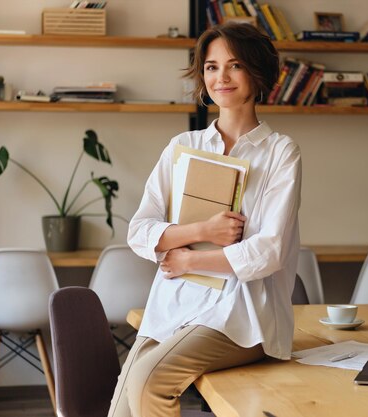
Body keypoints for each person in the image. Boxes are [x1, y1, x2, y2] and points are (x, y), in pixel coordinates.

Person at [108, 22, 302, 417]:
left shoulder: (281, 152)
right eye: (211, 67)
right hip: (174, 306)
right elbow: (139, 231)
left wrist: (189, 258)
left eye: (234, 66)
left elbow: (270, 251)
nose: (221, 77)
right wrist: (202, 232)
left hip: (243, 315)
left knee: (148, 381)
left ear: (258, 73)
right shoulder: (183, 147)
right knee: (121, 410)